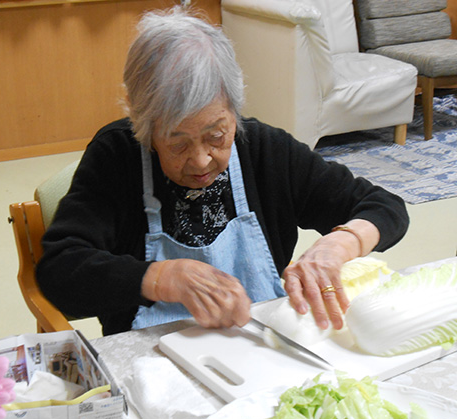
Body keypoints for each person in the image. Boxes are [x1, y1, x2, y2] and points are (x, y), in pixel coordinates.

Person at [36, 7, 409, 336]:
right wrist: (160, 278)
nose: (200, 160)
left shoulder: (265, 149)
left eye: (216, 135)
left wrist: (337, 245)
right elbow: (60, 270)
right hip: (150, 363)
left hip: (260, 349)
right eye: (177, 143)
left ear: (234, 110)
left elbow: (385, 207)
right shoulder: (117, 156)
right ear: (143, 126)